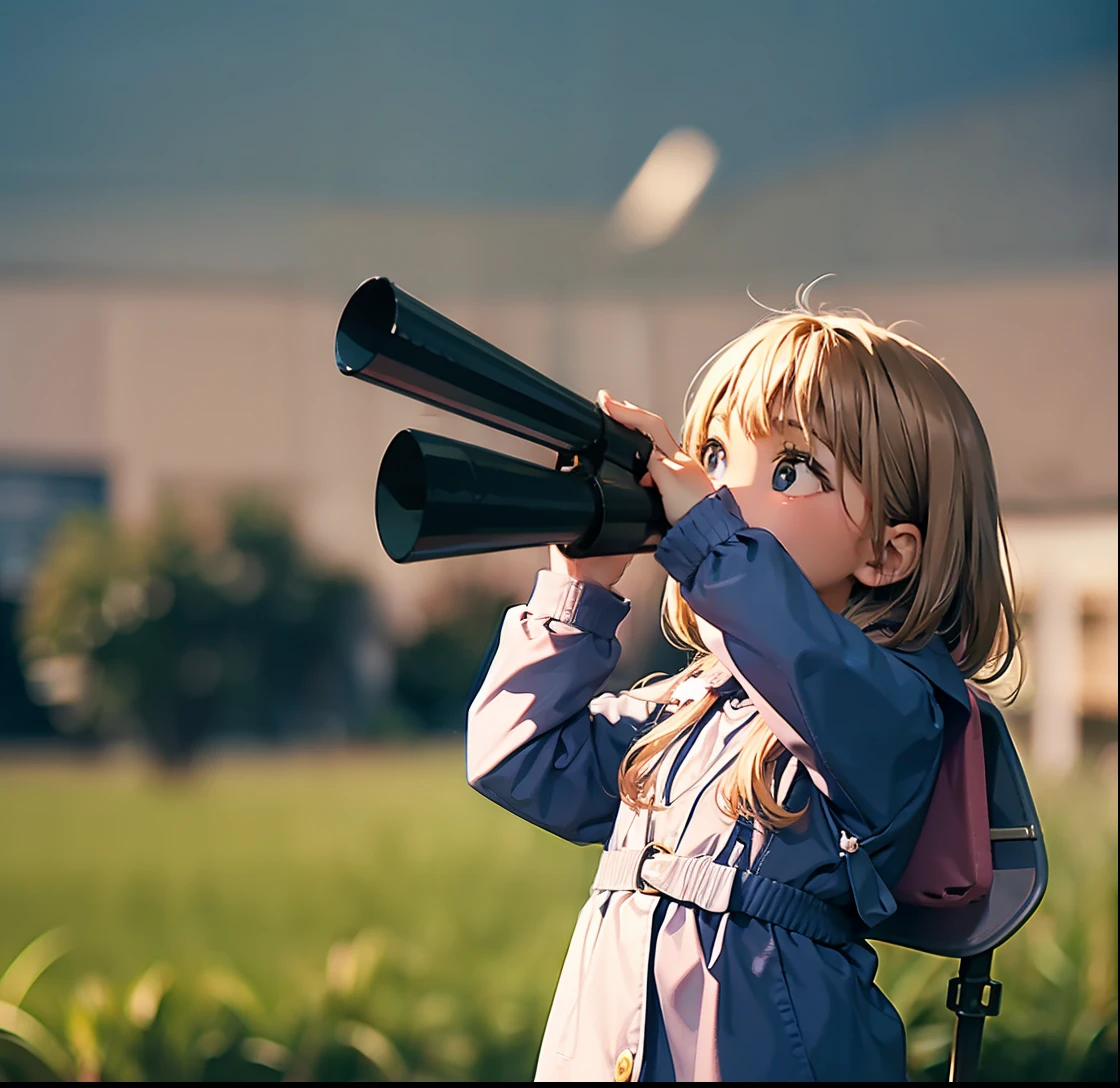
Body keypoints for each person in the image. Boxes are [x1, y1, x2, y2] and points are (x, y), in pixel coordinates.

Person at [465, 287, 1019, 1082]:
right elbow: (517, 759)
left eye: (790, 470)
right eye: (717, 457)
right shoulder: (689, 712)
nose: (721, 494)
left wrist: (711, 548)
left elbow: (811, 671)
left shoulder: (896, 708)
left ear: (888, 556)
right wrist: (576, 591)